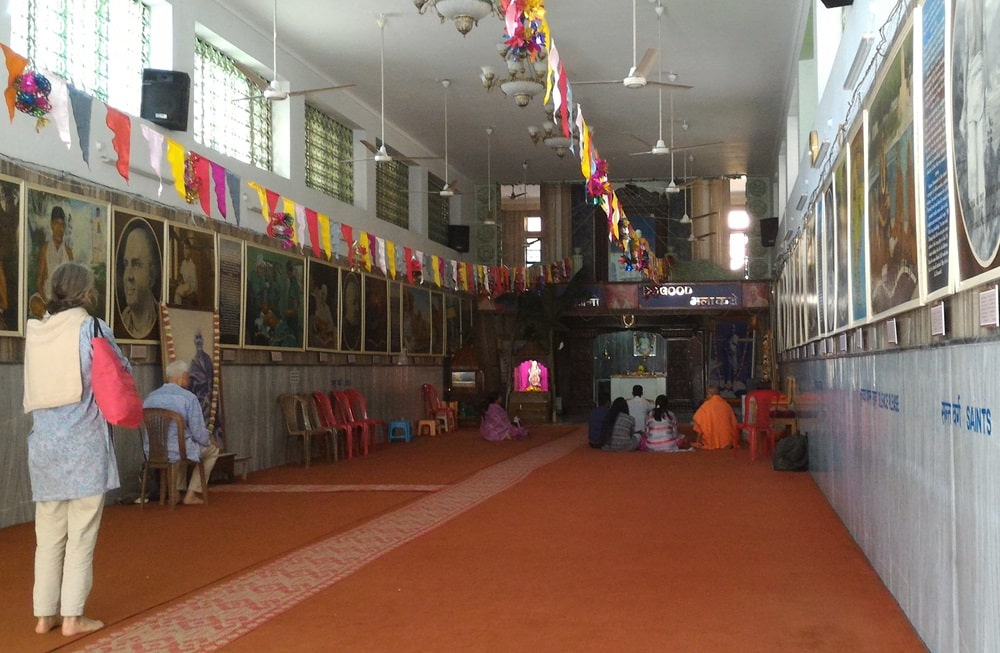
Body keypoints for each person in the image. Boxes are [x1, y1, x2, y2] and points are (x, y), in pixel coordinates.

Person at [22, 261, 127, 637]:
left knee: (47, 537)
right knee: (81, 536)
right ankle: (72, 618)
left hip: (45, 451)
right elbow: (120, 370)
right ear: (86, 293)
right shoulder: (91, 328)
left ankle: (43, 616)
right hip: (83, 447)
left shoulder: (35, 332)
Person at [142, 359, 220, 505]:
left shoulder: (150, 397)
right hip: (180, 451)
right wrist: (209, 440)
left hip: (153, 451)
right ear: (184, 376)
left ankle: (176, 491)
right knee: (211, 450)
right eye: (188, 377)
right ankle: (191, 494)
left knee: (183, 444)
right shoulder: (188, 398)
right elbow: (199, 433)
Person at [118, 220, 160, 339]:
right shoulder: (124, 320)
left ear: (151, 275)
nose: (128, 276)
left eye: (136, 264)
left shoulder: (160, 321)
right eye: (126, 264)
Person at [32, 206, 74, 317]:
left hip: (63, 302)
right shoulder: (45, 249)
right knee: (34, 303)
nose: (59, 229)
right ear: (51, 225)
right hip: (47, 299)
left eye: (62, 225)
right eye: (56, 224)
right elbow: (40, 281)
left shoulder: (68, 252)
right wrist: (46, 301)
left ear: (64, 227)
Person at [692, 385, 738, 450]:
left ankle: (698, 442)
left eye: (707, 394)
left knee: (700, 423)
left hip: (711, 441)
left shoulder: (705, 406)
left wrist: (697, 442)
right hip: (727, 442)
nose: (706, 396)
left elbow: (699, 425)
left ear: (711, 395)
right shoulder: (726, 405)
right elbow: (734, 423)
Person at [187, 330, 214, 416]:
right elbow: (190, 382)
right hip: (196, 397)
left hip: (207, 396)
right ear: (194, 341)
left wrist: (208, 394)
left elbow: (211, 377)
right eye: (196, 338)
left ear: (203, 341)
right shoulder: (193, 362)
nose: (198, 341)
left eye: (200, 338)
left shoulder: (207, 359)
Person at [173, 237, 198, 305]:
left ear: (190, 250)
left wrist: (187, 292)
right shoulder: (183, 263)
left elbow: (194, 285)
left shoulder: (192, 265)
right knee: (175, 291)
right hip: (183, 287)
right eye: (184, 248)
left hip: (189, 290)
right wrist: (179, 280)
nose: (185, 251)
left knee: (178, 292)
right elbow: (181, 278)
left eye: (186, 248)